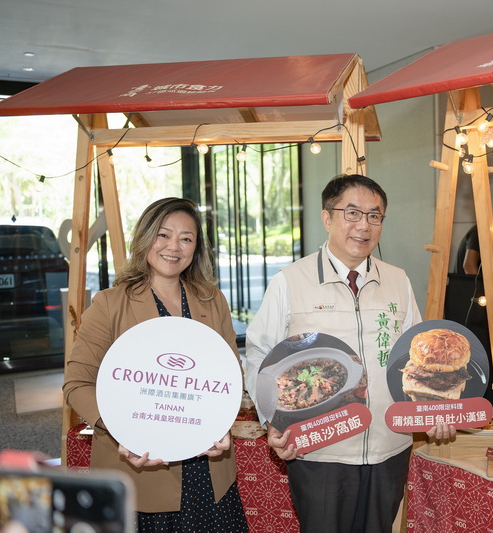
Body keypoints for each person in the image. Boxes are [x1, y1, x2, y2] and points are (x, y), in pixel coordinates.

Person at [244, 174, 453, 533]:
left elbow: (415, 359)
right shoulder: (290, 281)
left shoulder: (397, 280)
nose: (364, 225)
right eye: (352, 213)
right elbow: (260, 355)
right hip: (321, 447)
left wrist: (433, 408)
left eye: (375, 216)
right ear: (327, 218)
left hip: (389, 446)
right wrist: (271, 421)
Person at [62, 198, 248, 532]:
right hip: (141, 474)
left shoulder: (212, 300)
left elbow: (230, 376)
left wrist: (223, 420)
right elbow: (76, 383)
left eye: (186, 239)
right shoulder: (109, 304)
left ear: (196, 248)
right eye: (163, 235)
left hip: (208, 472)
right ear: (145, 238)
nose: (173, 247)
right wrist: (122, 430)